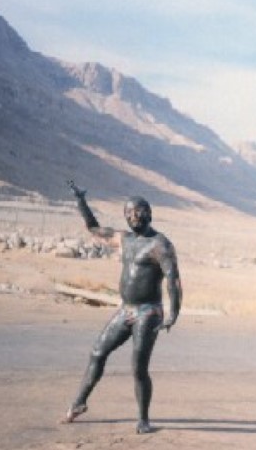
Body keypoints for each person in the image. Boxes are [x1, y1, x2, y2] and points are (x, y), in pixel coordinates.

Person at [61, 181, 182, 434]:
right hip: (126, 309)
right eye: (128, 213)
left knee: (138, 368)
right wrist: (81, 202)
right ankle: (80, 402)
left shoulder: (160, 245)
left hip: (148, 312)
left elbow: (173, 280)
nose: (133, 216)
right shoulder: (124, 239)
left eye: (138, 211)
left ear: (149, 213)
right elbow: (94, 229)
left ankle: (143, 420)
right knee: (97, 352)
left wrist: (173, 314)